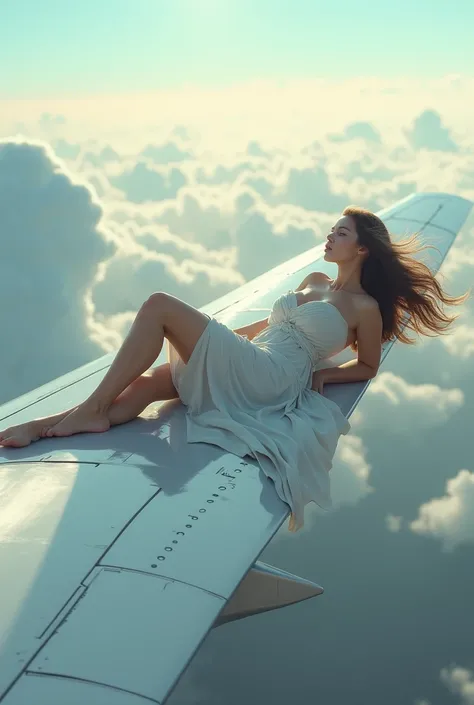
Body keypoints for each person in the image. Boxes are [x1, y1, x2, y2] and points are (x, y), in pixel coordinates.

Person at [0, 206, 469, 531]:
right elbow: (265, 325)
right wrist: (211, 340)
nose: (330, 236)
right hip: (254, 357)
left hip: (272, 377)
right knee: (146, 387)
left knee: (159, 304)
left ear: (363, 249)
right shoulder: (316, 281)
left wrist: (325, 375)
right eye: (332, 229)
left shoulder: (365, 307)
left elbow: (367, 364)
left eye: (341, 233)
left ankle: (90, 410)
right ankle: (44, 427)